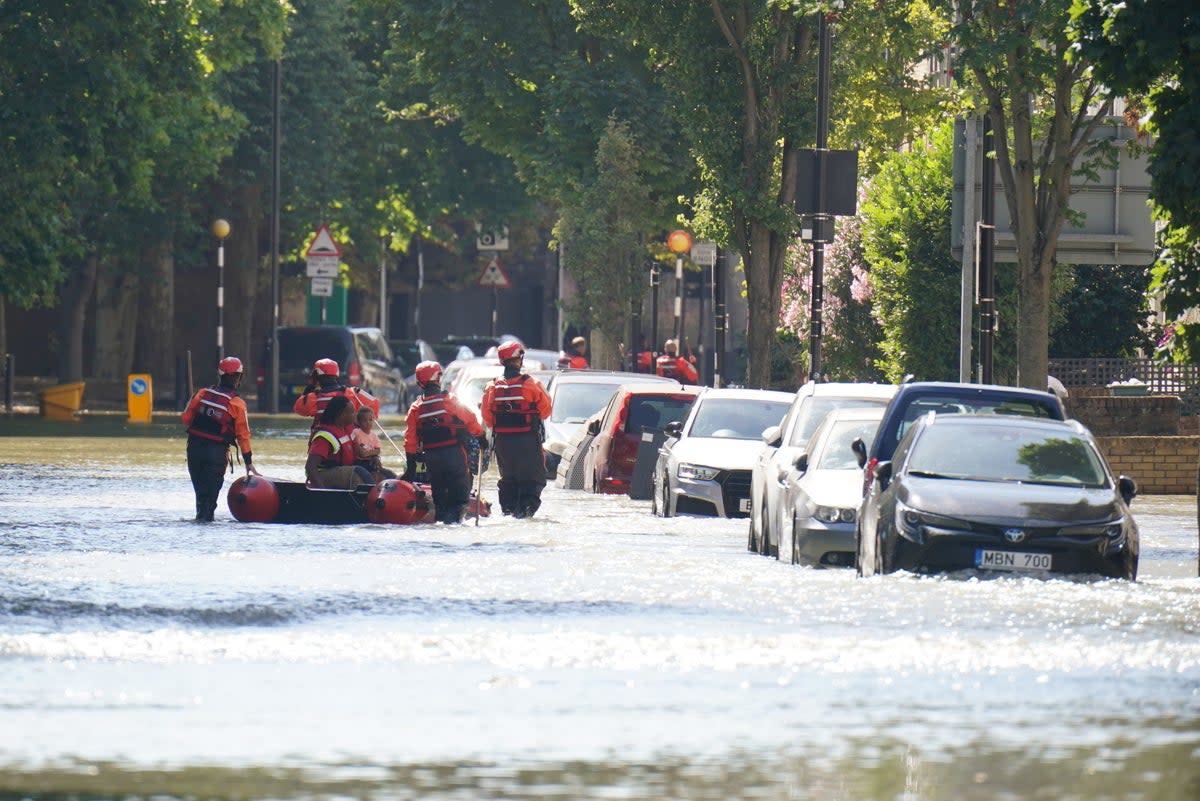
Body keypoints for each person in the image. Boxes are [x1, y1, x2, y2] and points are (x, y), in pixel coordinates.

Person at [401, 360, 486, 524]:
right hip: (455, 455)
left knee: (439, 494)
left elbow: (410, 439)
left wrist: (411, 465)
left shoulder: (416, 408)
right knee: (460, 493)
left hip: (432, 458)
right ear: (438, 379)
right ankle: (456, 521)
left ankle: (441, 517)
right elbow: (471, 420)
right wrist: (481, 437)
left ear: (419, 383)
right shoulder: (450, 400)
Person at [181, 356, 260, 522]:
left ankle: (199, 525)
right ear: (238, 377)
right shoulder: (238, 404)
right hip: (216, 454)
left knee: (201, 496)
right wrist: (248, 462)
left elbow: (186, 418)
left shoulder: (202, 393)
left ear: (220, 375)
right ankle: (206, 529)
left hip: (194, 449)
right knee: (210, 500)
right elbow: (243, 436)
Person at [481, 341, 553, 518]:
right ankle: (525, 511)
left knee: (509, 479)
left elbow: (488, 419)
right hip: (528, 441)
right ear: (519, 359)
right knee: (533, 479)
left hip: (503, 444)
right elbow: (546, 411)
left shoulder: (492, 387)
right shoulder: (532, 384)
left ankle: (508, 511)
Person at [293, 358, 381, 435]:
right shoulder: (353, 393)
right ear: (336, 374)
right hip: (349, 446)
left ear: (316, 376)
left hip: (323, 447)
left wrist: (311, 385)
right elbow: (375, 405)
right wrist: (359, 424)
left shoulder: (313, 398)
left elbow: (298, 408)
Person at [305, 395, 375, 489]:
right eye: (352, 412)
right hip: (323, 476)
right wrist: (323, 492)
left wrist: (372, 459)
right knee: (357, 474)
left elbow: (358, 454)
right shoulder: (325, 436)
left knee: (379, 472)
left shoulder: (347, 430)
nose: (355, 415)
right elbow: (310, 467)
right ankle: (367, 500)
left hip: (343, 469)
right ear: (341, 414)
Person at [351, 406, 396, 482]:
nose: (368, 422)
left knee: (386, 472)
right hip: (360, 462)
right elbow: (356, 447)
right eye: (364, 420)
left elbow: (378, 450)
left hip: (371, 460)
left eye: (370, 420)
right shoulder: (356, 432)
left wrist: (368, 453)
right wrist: (364, 452)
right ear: (359, 422)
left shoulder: (374, 436)